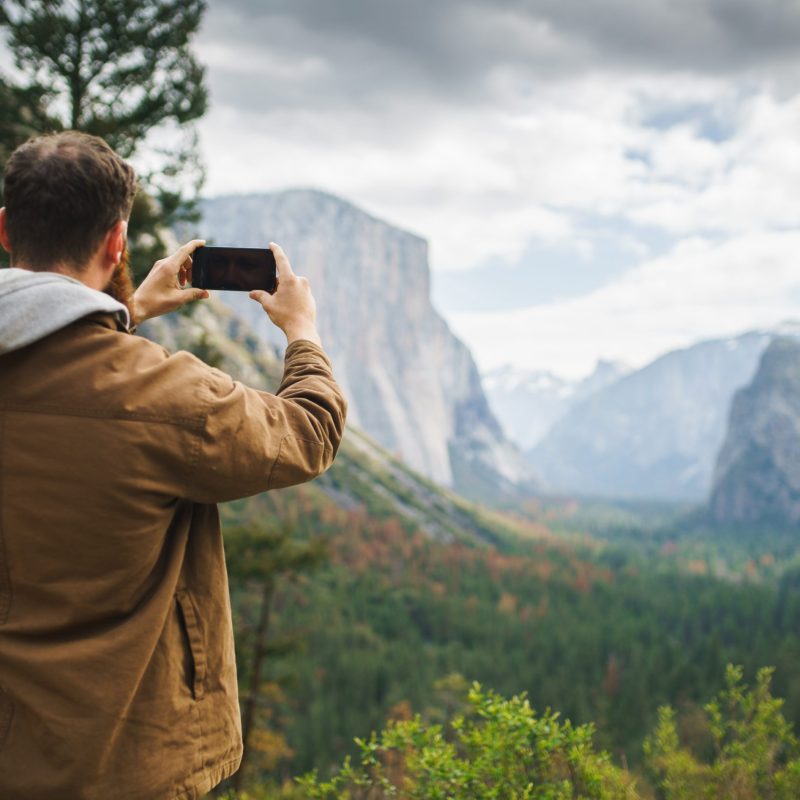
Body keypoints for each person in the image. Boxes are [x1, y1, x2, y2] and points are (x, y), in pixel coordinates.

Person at [0, 131, 347, 799]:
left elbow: (59, 383)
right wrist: (302, 332)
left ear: (8, 230)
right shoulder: (164, 397)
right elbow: (310, 431)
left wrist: (132, 310)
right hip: (126, 764)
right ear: (116, 243)